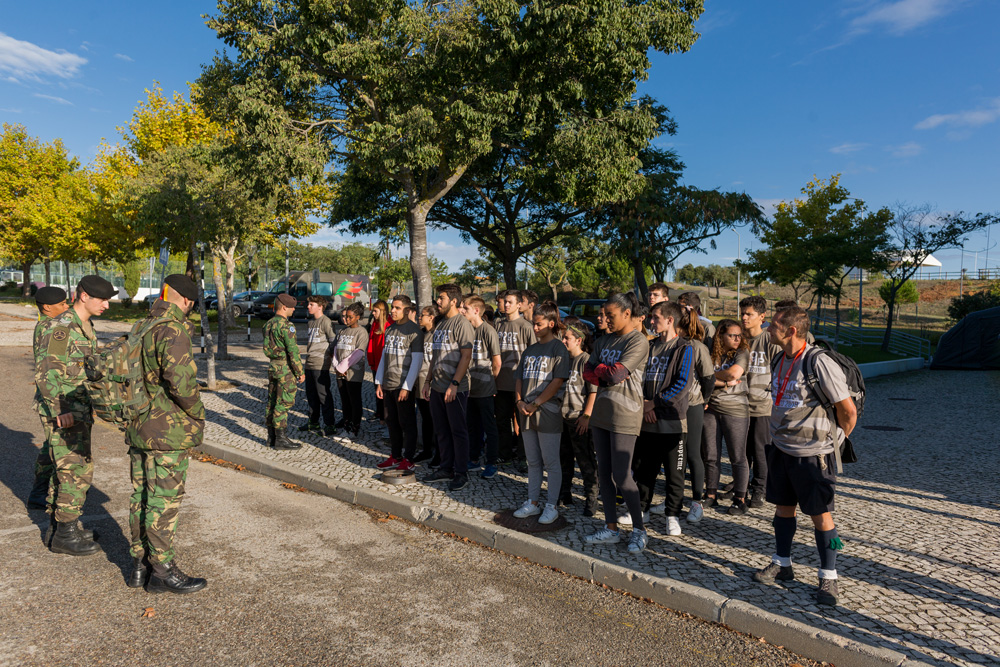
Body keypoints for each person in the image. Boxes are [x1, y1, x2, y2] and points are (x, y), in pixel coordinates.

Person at [753, 306, 856, 607]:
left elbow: (847, 410)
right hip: (781, 449)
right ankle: (782, 563)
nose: (768, 329)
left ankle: (830, 575)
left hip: (813, 455)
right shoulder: (778, 358)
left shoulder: (818, 362)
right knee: (783, 510)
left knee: (822, 516)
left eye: (772, 325)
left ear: (791, 330)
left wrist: (836, 440)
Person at [125, 274, 207, 593]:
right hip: (165, 431)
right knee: (164, 499)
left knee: (142, 496)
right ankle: (161, 571)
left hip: (138, 426)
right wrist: (197, 413)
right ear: (186, 301)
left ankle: (138, 564)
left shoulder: (141, 326)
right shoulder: (173, 329)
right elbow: (181, 383)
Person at [34, 275, 115, 556]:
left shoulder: (84, 325)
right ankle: (65, 534)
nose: (106, 304)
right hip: (65, 410)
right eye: (102, 299)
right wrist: (61, 410)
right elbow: (47, 372)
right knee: (76, 469)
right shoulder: (62, 328)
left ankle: (62, 527)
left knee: (65, 469)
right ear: (84, 297)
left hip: (79, 408)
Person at [582, 292, 650, 554]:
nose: (605, 320)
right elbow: (587, 371)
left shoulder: (638, 341)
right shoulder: (604, 339)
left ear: (627, 314)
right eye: (603, 315)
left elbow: (618, 373)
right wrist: (603, 371)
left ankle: (639, 531)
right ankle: (611, 528)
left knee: (622, 475)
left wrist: (602, 371)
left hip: (625, 414)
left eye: (610, 316)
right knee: (605, 475)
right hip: (601, 414)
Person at [633, 301, 693, 537]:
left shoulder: (684, 348)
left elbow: (681, 384)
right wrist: (645, 405)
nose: (651, 321)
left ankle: (672, 515)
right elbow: (637, 378)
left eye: (655, 317)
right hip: (647, 420)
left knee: (674, 473)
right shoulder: (649, 346)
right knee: (644, 469)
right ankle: (642, 509)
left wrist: (653, 403)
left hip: (672, 421)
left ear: (670, 320)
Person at [512, 302, 570, 525]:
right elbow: (519, 377)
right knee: (533, 461)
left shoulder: (558, 348)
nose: (535, 328)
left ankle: (551, 505)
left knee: (551, 462)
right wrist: (519, 401)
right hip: (526, 411)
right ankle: (532, 502)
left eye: (539, 324)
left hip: (547, 410)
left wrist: (536, 403)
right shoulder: (530, 350)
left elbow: (557, 380)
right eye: (533, 324)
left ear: (551, 324)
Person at [655, 308, 713, 523]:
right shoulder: (665, 345)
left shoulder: (696, 347)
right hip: (670, 406)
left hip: (692, 405)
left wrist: (704, 400)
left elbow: (708, 378)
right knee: (669, 455)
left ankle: (697, 502)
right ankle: (671, 499)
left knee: (691, 453)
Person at [422, 284, 475, 491]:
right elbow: (435, 357)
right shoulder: (441, 324)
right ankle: (446, 468)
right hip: (437, 386)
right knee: (441, 430)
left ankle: (461, 472)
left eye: (441, 298)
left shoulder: (462, 324)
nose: (438, 301)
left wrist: (454, 384)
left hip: (456, 388)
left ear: (453, 301)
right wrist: (427, 382)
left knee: (458, 431)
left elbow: (466, 356)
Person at [27, 286, 70, 511]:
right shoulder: (54, 329)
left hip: (48, 397)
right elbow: (48, 371)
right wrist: (59, 407)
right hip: (53, 399)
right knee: (59, 448)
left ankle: (39, 492)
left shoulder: (46, 325)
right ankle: (56, 499)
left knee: (50, 445)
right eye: (62, 304)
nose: (66, 307)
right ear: (47, 307)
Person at [703, 318, 751, 515]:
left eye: (739, 335)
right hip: (711, 407)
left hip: (736, 408)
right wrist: (718, 381)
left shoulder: (742, 353)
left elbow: (733, 374)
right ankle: (711, 494)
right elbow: (701, 375)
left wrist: (711, 377)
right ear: (720, 335)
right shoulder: (709, 352)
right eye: (732, 335)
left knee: (737, 456)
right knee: (710, 455)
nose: (737, 339)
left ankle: (740, 498)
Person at [740, 296, 782, 507]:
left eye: (749, 314)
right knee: (742, 450)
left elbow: (780, 371)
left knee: (760, 449)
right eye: (742, 313)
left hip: (762, 405)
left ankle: (760, 488)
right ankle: (741, 486)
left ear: (762, 317)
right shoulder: (739, 339)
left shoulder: (769, 340)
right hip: (739, 405)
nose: (744, 317)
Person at [374, 295, 424, 471]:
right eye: (392, 307)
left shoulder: (414, 332)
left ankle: (408, 459)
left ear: (407, 310)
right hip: (388, 384)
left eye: (397, 308)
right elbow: (384, 357)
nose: (393, 311)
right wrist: (379, 382)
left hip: (403, 386)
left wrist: (407, 387)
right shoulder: (389, 329)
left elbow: (417, 361)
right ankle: (395, 456)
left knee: (407, 423)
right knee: (390, 420)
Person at [558, 317, 599, 516]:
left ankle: (591, 499)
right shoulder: (565, 359)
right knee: (563, 459)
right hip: (563, 417)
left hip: (579, 419)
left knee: (585, 462)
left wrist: (587, 416)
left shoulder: (586, 361)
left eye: (567, 338)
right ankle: (564, 493)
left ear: (578, 340)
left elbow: (593, 391)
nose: (563, 341)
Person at [495, 290, 535, 468]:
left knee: (521, 422)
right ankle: (504, 454)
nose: (506, 305)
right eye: (505, 302)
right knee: (502, 420)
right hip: (500, 382)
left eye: (510, 302)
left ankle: (523, 457)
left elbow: (533, 355)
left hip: (520, 384)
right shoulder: (498, 324)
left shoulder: (526, 326)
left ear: (519, 305)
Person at [462, 295, 501, 478]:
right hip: (470, 388)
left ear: (476, 310)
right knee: (473, 427)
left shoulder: (488, 331)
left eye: (466, 308)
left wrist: (491, 383)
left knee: (489, 427)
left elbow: (497, 362)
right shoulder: (467, 329)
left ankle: (492, 462)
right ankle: (474, 459)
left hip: (485, 389)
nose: (463, 311)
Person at [263, 293, 304, 451]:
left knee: (272, 401)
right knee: (283, 402)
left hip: (273, 366)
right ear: (284, 307)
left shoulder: (268, 324)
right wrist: (300, 371)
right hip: (285, 368)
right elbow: (293, 350)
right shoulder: (286, 326)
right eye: (292, 307)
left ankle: (271, 437)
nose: (294, 310)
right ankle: (281, 439)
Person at [300, 296, 337, 436]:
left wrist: (332, 359)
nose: (308, 306)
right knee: (311, 395)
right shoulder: (311, 323)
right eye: (308, 304)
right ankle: (313, 422)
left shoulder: (326, 322)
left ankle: (329, 424)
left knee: (323, 395)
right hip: (309, 363)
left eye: (311, 304)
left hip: (321, 364)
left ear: (320, 306)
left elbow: (333, 340)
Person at [332, 302, 368, 437]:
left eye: (350, 317)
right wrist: (336, 366)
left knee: (354, 401)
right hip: (340, 372)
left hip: (353, 373)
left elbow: (358, 352)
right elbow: (335, 350)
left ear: (358, 317)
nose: (346, 319)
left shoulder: (361, 332)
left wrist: (342, 367)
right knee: (345, 401)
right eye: (345, 316)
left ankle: (354, 429)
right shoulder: (342, 331)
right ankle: (346, 427)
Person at [413, 306, 440, 464]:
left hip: (432, 380)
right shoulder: (422, 335)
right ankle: (426, 450)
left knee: (435, 417)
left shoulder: (437, 334)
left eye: (422, 315)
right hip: (420, 379)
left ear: (431, 317)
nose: (419, 318)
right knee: (425, 416)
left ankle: (439, 451)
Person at [367, 299, 389, 424]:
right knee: (377, 389)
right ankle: (379, 412)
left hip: (384, 364)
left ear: (382, 312)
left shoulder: (388, 326)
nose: (373, 313)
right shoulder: (375, 324)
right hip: (375, 363)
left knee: (384, 392)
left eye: (375, 311)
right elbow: (371, 343)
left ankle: (385, 418)